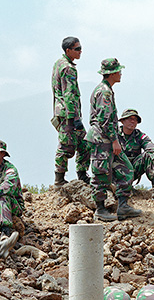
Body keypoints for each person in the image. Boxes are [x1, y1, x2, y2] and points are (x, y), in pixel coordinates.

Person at [87, 58, 140, 222]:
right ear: (112, 73)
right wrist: (114, 140)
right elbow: (105, 120)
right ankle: (100, 209)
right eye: (119, 71)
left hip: (108, 139)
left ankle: (123, 205)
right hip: (102, 139)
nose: (121, 73)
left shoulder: (107, 90)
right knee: (101, 174)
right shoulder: (104, 92)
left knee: (126, 169)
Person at [51, 36, 89, 186]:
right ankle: (59, 180)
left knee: (84, 144)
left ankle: (81, 175)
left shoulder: (58, 63)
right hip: (68, 114)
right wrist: (75, 119)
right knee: (66, 146)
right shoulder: (68, 68)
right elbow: (69, 94)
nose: (80, 51)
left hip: (63, 113)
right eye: (77, 49)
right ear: (68, 50)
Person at [118, 109, 154, 190]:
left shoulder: (139, 135)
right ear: (123, 121)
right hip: (116, 171)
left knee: (150, 154)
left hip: (132, 170)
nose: (133, 121)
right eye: (130, 118)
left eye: (135, 119)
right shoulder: (114, 136)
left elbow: (151, 147)